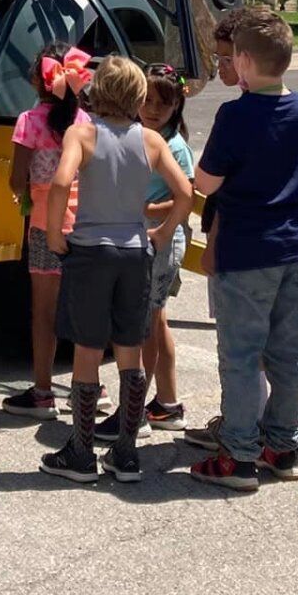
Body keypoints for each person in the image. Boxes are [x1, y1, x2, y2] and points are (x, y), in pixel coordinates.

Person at [185, 13, 298, 492]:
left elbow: (206, 182)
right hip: (297, 244)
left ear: (243, 61)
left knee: (242, 354)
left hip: (248, 248)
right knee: (289, 351)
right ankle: (281, 445)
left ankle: (239, 454)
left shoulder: (236, 114)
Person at [39, 57, 193, 484]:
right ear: (140, 97)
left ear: (95, 92)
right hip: (134, 251)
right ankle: (126, 452)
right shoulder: (151, 141)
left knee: (88, 349)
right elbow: (184, 192)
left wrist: (56, 234)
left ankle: (82, 451)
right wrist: (161, 233)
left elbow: (60, 182)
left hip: (91, 251)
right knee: (130, 348)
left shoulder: (82, 133)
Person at [98, 65, 193, 433]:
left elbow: (186, 194)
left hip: (159, 240)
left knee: (141, 326)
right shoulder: (138, 135)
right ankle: (167, 404)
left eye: (163, 104)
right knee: (155, 321)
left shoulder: (173, 146)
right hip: (141, 238)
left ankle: (132, 412)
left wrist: (153, 215)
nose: (153, 109)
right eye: (148, 101)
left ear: (176, 107)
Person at [1, 43, 92, 420]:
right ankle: (90, 390)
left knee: (44, 312)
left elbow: (15, 179)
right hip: (84, 222)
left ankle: (42, 392)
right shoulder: (85, 121)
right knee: (86, 308)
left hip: (43, 224)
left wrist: (23, 190)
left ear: (37, 81)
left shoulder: (28, 121)